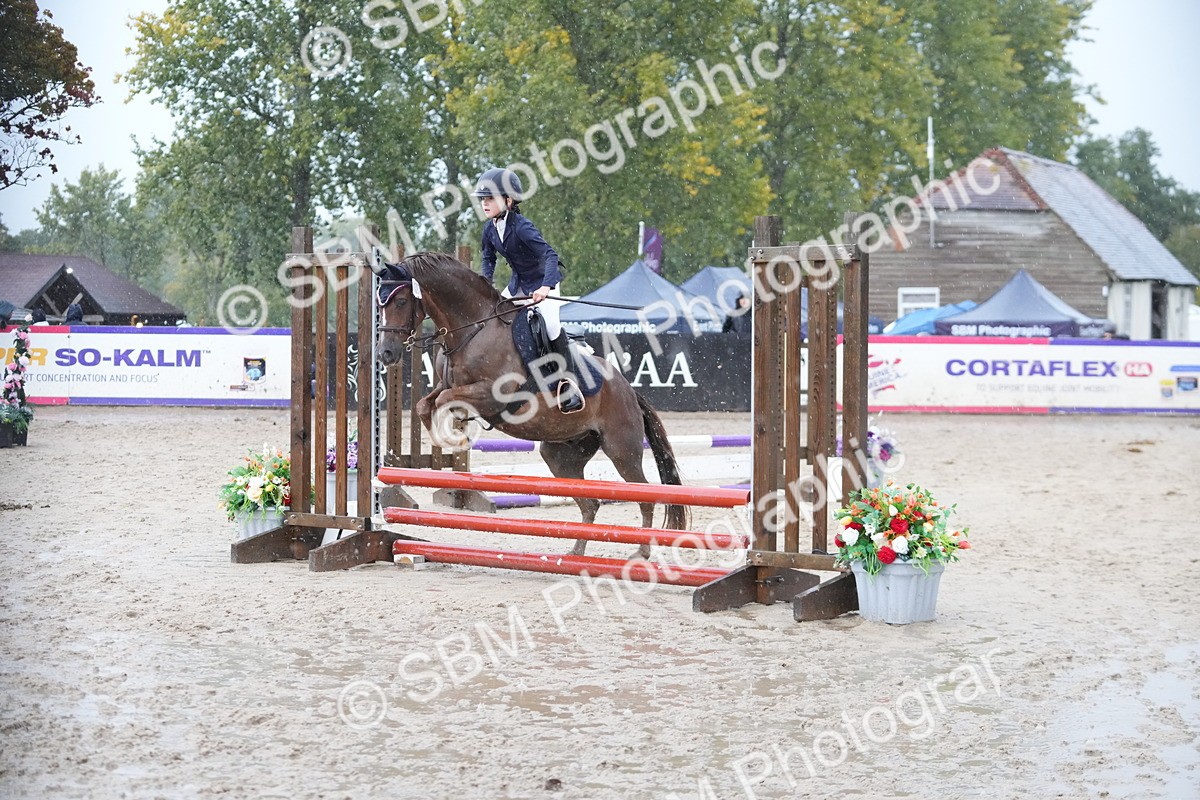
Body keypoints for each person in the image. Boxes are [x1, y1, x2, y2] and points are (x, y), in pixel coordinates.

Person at [473, 167, 582, 413]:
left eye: (490, 198)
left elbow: (550, 255)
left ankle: (569, 385)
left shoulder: (522, 227)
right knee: (496, 317)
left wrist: (545, 287)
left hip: (544, 281)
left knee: (552, 326)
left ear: (508, 201)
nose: (485, 203)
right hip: (519, 284)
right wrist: (484, 283)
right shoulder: (489, 229)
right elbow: (488, 259)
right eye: (482, 199)